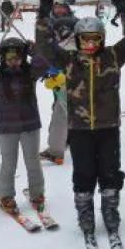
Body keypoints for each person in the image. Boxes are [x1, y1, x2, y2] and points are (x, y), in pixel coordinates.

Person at [35, 0, 125, 239]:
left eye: (95, 39)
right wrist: (43, 14)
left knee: (110, 171)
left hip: (108, 127)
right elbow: (44, 47)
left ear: (102, 39)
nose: (90, 44)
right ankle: (85, 212)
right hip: (79, 129)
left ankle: (110, 209)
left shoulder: (111, 57)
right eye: (85, 39)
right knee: (84, 173)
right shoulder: (69, 60)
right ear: (77, 40)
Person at [0, 38, 49, 214]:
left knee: (33, 160)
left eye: (17, 56)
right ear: (3, 57)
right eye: (8, 56)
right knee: (9, 162)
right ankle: (6, 195)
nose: (13, 60)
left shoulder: (30, 72)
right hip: (6, 127)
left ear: (22, 57)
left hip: (30, 125)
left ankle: (37, 193)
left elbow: (45, 64)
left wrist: (34, 50)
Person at [39, 15, 76, 165]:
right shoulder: (74, 41)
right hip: (72, 86)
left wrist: (59, 76)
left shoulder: (68, 44)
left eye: (56, 32)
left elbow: (63, 62)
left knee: (60, 115)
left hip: (71, 87)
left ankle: (55, 152)